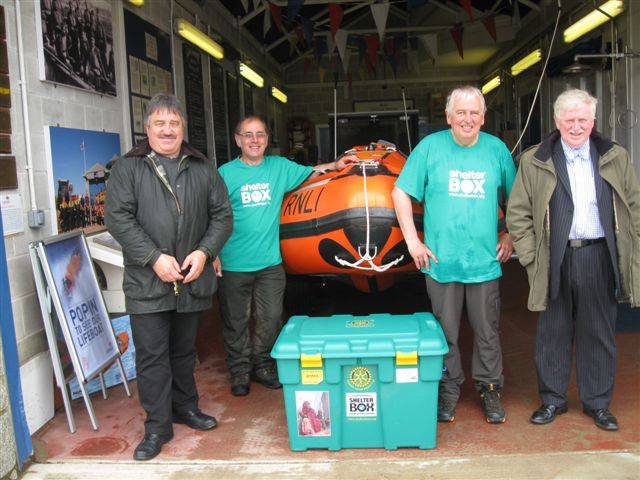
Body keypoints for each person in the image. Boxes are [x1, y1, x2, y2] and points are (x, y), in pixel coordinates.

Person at [105, 94, 232, 461]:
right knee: (151, 356)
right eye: (159, 123)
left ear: (182, 129)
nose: (167, 130)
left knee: (183, 351)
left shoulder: (202, 167)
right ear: (147, 129)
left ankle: (185, 407)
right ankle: (158, 426)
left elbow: (222, 216)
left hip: (190, 277)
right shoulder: (128, 169)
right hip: (149, 282)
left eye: (173, 123)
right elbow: (118, 218)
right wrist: (152, 257)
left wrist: (203, 252)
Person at [506, 89, 640, 431]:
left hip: (599, 253)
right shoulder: (535, 159)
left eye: (583, 119)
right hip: (554, 256)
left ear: (593, 121)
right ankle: (552, 400)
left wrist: (632, 247)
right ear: (557, 122)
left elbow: (634, 206)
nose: (576, 126)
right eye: (569, 120)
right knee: (553, 330)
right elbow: (518, 213)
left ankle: (598, 404)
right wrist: (531, 257)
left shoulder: (615, 156)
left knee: (599, 330)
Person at [392, 85, 516, 424]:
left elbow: (518, 199)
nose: (468, 119)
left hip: (484, 264)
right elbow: (400, 192)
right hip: (441, 263)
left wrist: (510, 234)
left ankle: (490, 389)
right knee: (444, 333)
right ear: (448, 117)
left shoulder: (496, 150)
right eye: (460, 112)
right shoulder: (430, 148)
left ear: (484, 117)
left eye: (474, 112)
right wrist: (412, 242)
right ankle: (448, 390)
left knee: (487, 332)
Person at [215, 115, 356, 397]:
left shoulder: (279, 167)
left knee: (271, 317)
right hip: (233, 263)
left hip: (269, 263)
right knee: (236, 321)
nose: (254, 140)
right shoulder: (224, 174)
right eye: (248, 135)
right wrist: (212, 252)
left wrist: (336, 165)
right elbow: (211, 214)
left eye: (260, 134)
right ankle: (240, 370)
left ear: (267, 139)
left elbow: (312, 172)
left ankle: (262, 363)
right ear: (237, 140)